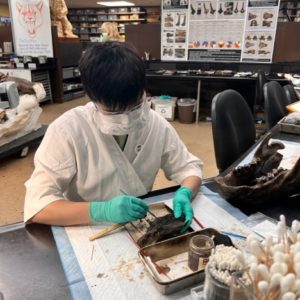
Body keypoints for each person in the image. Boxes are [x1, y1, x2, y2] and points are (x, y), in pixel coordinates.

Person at [24, 42, 203, 228]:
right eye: (114, 112)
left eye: (134, 107)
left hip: (138, 224)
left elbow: (189, 168)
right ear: (92, 98)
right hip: (87, 227)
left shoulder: (155, 124)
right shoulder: (67, 130)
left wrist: (185, 192)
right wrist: (101, 211)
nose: (126, 120)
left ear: (143, 91)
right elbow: (38, 206)